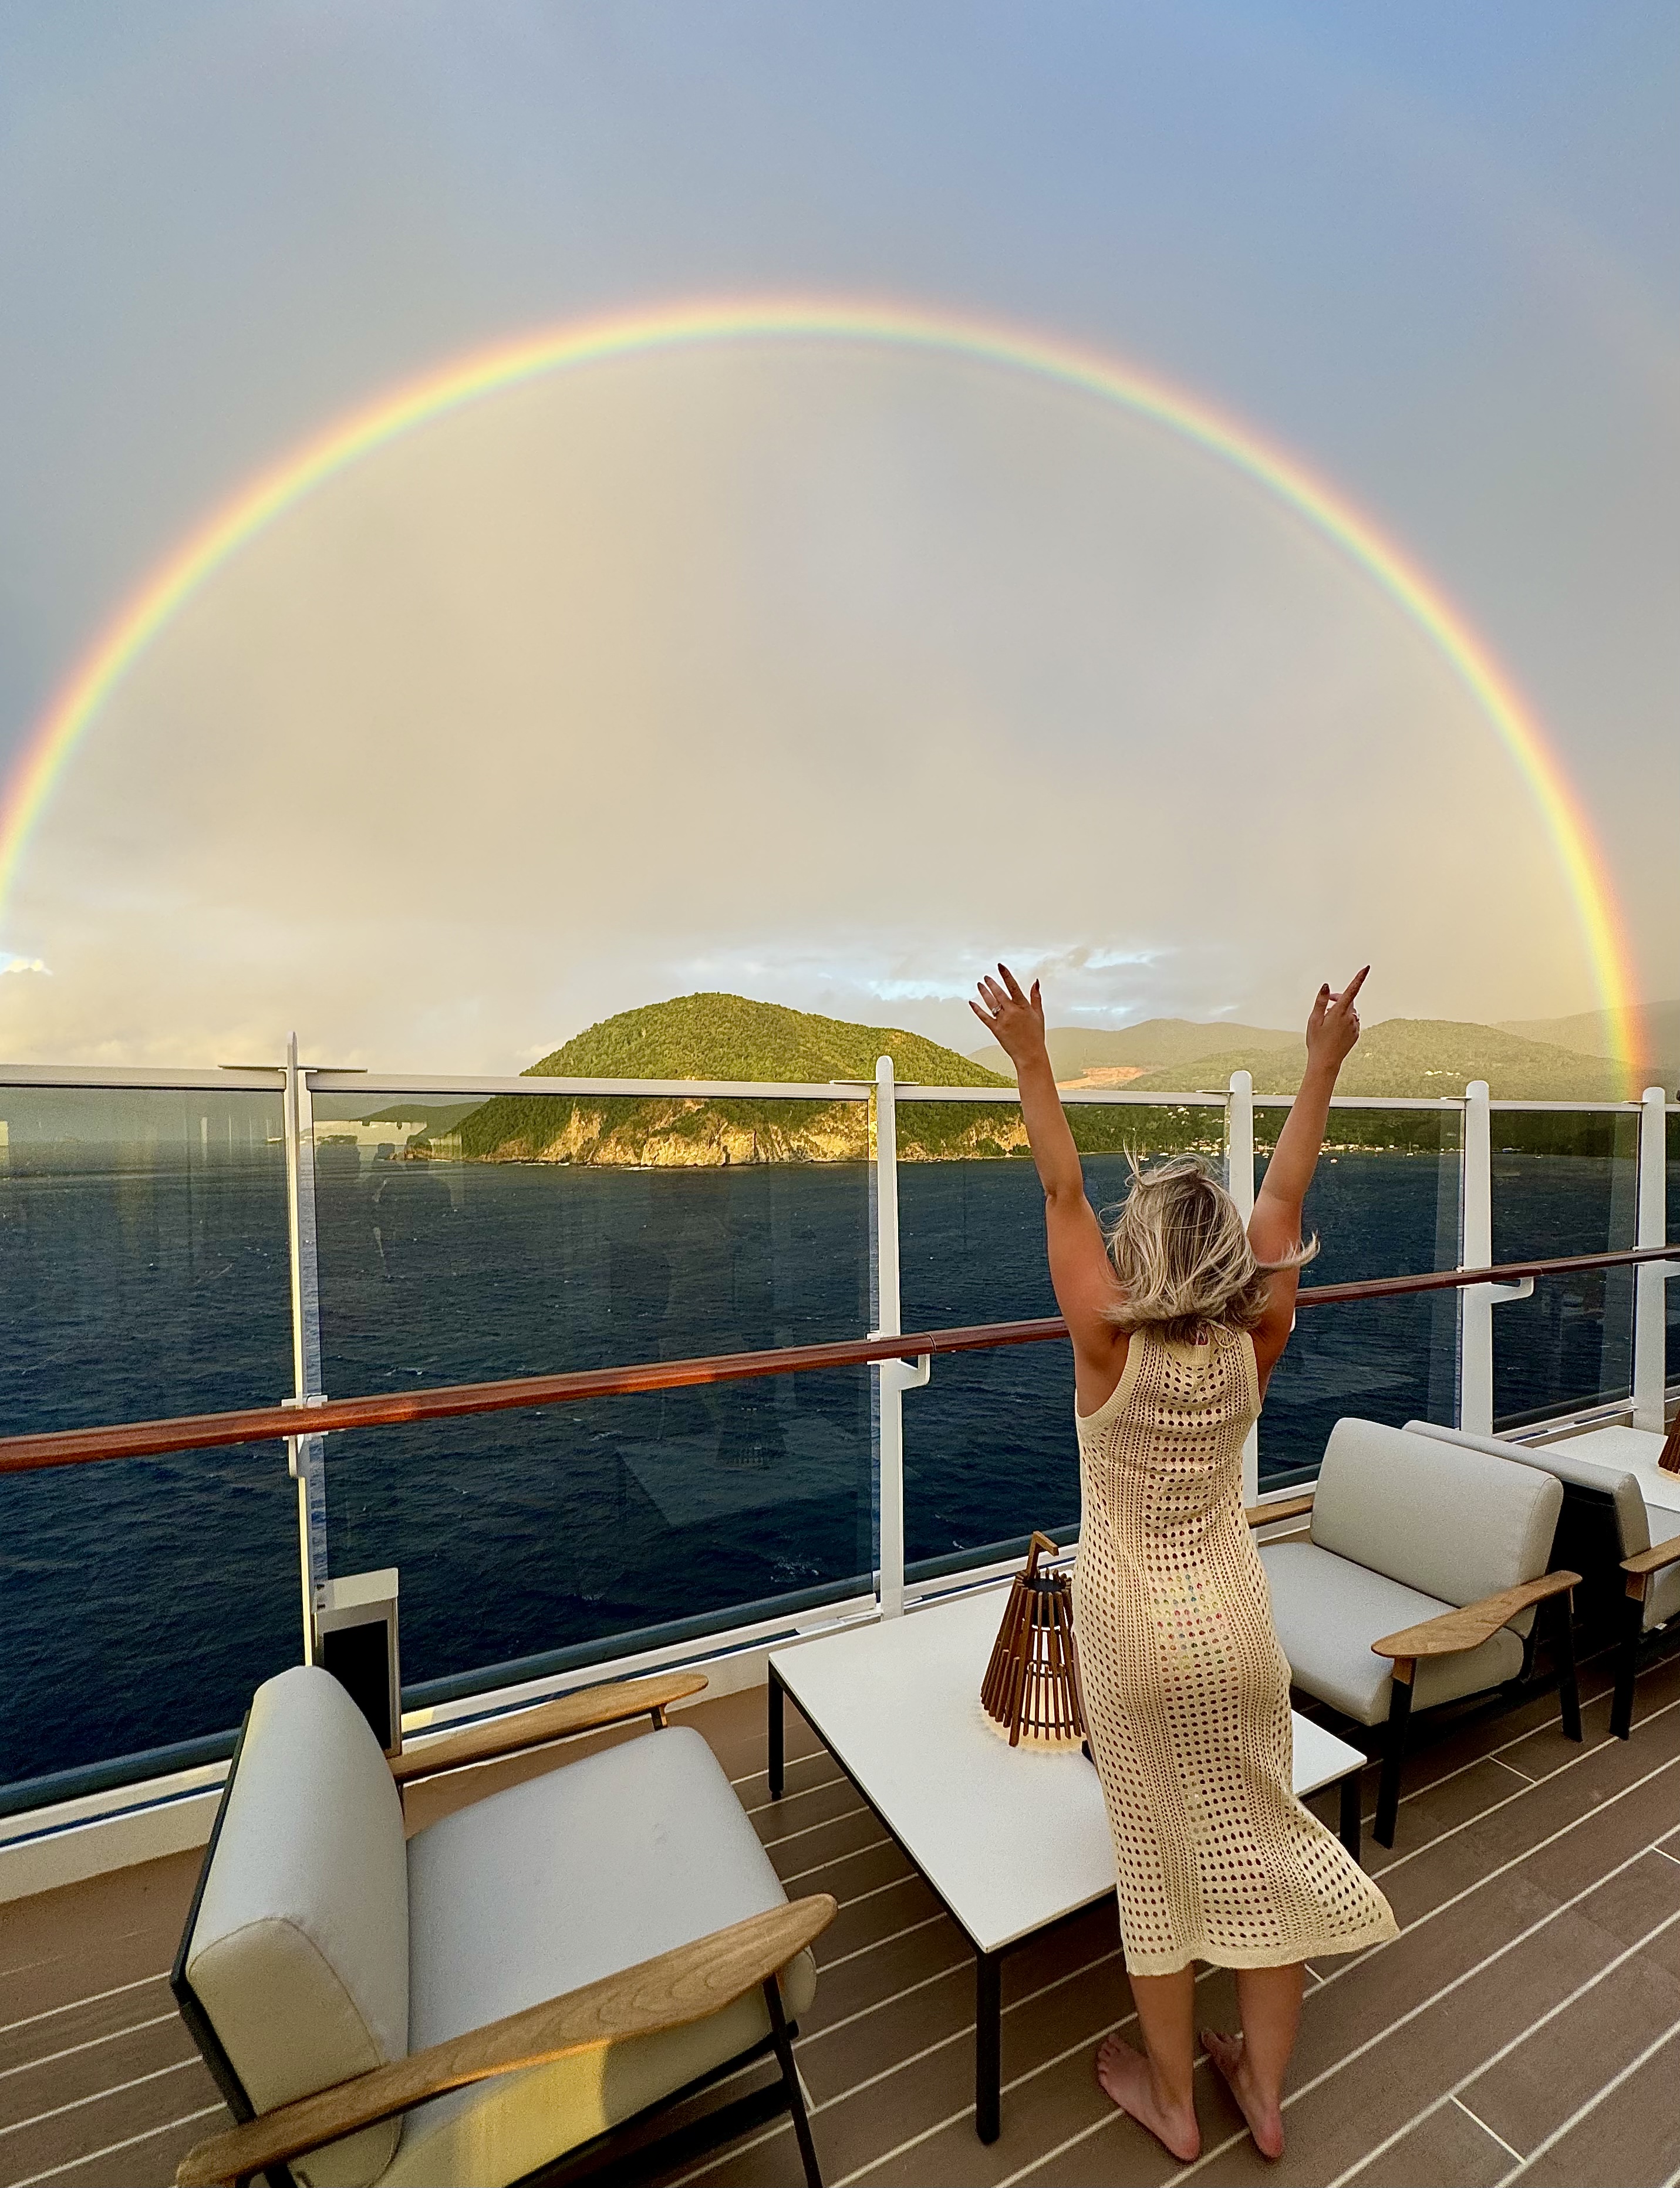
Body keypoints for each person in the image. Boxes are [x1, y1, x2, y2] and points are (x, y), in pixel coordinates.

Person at [969, 963, 1396, 2163]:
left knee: (1155, 1867)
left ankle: (1171, 2102)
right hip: (1238, 1627)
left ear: (1142, 1249)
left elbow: (1060, 1184)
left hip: (1131, 1633)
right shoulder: (1258, 1338)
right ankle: (1262, 2089)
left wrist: (1032, 1056)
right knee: (1261, 1843)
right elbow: (1287, 1192)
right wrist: (1322, 1064)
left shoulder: (1106, 1349)